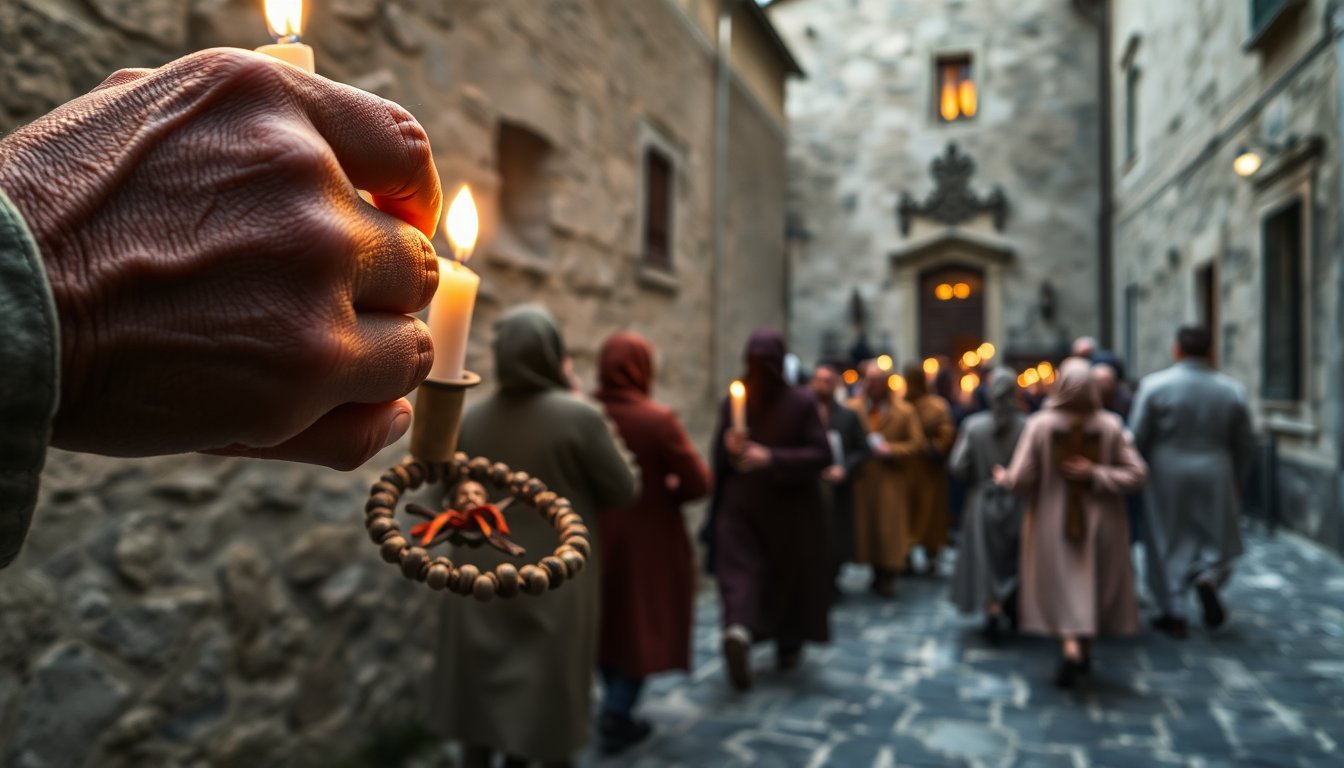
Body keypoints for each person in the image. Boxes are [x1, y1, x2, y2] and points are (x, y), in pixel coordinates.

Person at [432, 306, 638, 768]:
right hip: (553, 587)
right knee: (545, 706)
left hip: (480, 580)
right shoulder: (579, 418)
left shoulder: (470, 418)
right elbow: (623, 488)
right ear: (552, 353)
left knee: (480, 704)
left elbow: (446, 488)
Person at [993, 358, 1147, 688]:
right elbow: (1137, 473)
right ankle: (1083, 647)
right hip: (1101, 520)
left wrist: (1005, 478)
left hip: (1052, 518)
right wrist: (1099, 475)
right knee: (1091, 583)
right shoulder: (1110, 425)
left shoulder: (1040, 424)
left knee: (1061, 583)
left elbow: (1022, 479)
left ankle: (1070, 646)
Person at [592, 332, 710, 755]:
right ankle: (617, 710)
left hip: (594, 533)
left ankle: (613, 701)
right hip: (650, 539)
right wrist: (669, 492)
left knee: (607, 620)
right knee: (641, 623)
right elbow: (699, 482)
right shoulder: (657, 420)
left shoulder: (587, 412)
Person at [710, 330, 832, 691]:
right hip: (749, 507)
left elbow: (820, 454)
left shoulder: (801, 403)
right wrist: (731, 449)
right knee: (743, 573)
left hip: (784, 509)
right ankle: (742, 631)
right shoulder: (738, 402)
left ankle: (755, 633)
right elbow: (721, 458)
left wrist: (772, 457)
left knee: (775, 578)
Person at [1130, 326, 1254, 638]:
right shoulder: (1231, 389)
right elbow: (1245, 442)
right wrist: (1238, 476)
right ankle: (1209, 575)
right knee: (1216, 533)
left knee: (1166, 537)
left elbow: (1136, 435)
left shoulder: (1155, 386)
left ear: (1177, 350)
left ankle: (1173, 609)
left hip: (1166, 468)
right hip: (1215, 467)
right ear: (1210, 351)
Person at [949, 368, 1026, 642]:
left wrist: (977, 480)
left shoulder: (973, 426)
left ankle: (992, 607)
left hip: (982, 499)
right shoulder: (1027, 425)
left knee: (985, 558)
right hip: (1018, 501)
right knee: (1014, 558)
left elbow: (958, 465)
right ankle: (1010, 605)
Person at [847, 366, 927, 597]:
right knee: (868, 529)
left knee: (889, 530)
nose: (874, 386)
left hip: (892, 480)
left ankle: (888, 574)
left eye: (878, 381)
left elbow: (916, 444)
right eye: (870, 380)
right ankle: (875, 570)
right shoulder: (854, 408)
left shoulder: (904, 411)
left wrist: (891, 450)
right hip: (863, 479)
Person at [808, 364, 871, 594]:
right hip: (810, 485)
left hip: (838, 487)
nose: (822, 385)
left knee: (836, 533)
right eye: (819, 380)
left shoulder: (847, 416)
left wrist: (845, 468)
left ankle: (832, 577)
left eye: (828, 380)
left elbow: (862, 449)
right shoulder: (804, 414)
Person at [903, 362, 957, 574]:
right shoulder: (901, 406)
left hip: (929, 473)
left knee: (931, 515)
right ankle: (905, 555)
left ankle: (931, 554)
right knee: (908, 516)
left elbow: (946, 436)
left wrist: (928, 447)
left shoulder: (936, 406)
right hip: (907, 472)